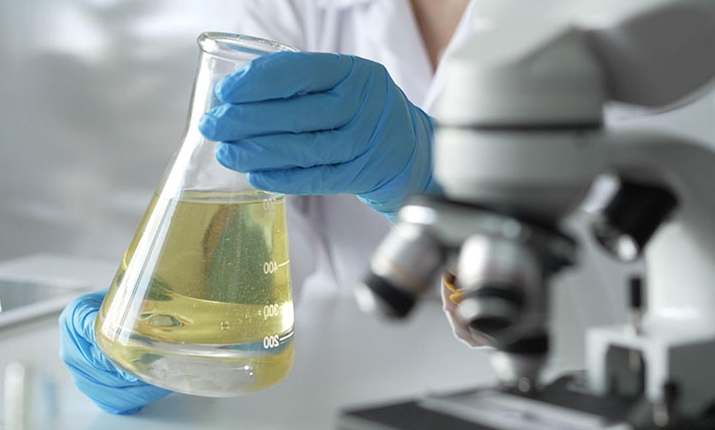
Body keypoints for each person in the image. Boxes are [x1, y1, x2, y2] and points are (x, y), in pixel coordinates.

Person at [58, 0, 715, 415]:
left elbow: (640, 249)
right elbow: (258, 224)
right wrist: (172, 308)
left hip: (592, 359)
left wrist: (436, 176)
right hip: (336, 379)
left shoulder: (644, 24)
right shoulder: (289, 9)